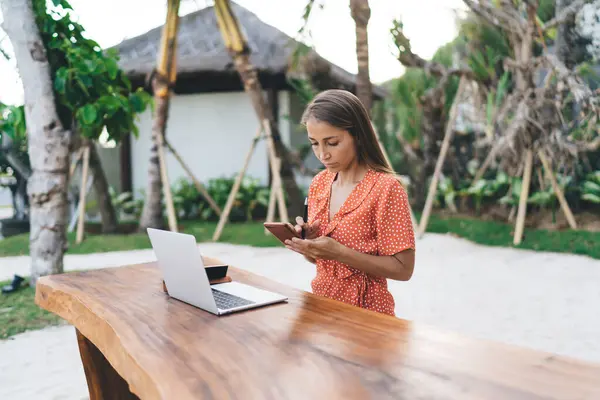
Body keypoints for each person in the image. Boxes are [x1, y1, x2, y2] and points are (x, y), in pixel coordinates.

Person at [284, 89, 415, 317]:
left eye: (332, 143)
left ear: (357, 136)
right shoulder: (319, 184)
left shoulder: (386, 189)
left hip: (368, 315)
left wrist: (339, 252)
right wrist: (308, 244)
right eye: (314, 144)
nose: (322, 154)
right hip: (321, 308)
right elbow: (319, 260)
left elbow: (404, 269)